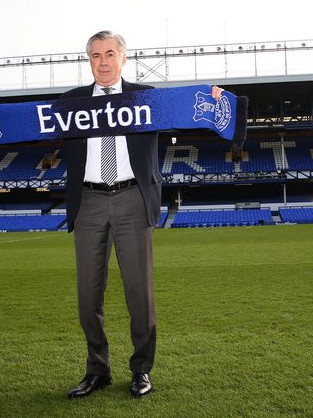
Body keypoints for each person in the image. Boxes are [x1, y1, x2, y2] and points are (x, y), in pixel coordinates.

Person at [62, 30, 224, 399]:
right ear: (88, 60)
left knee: (139, 294)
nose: (102, 62)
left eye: (109, 54)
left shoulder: (145, 98)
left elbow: (186, 112)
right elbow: (25, 127)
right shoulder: (70, 102)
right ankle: (97, 370)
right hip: (88, 202)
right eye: (94, 55)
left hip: (132, 198)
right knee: (88, 296)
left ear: (123, 57)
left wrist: (214, 102)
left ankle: (141, 370)